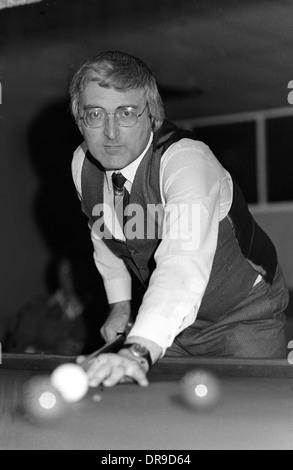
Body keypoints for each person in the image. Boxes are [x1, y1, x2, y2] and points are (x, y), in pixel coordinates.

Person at [70, 50, 289, 388]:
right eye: (95, 114)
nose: (111, 132)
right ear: (80, 120)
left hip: (243, 319)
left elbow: (182, 261)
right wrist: (120, 304)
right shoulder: (82, 167)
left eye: (127, 112)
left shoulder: (185, 160)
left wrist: (138, 350)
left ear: (152, 116)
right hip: (167, 322)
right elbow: (103, 232)